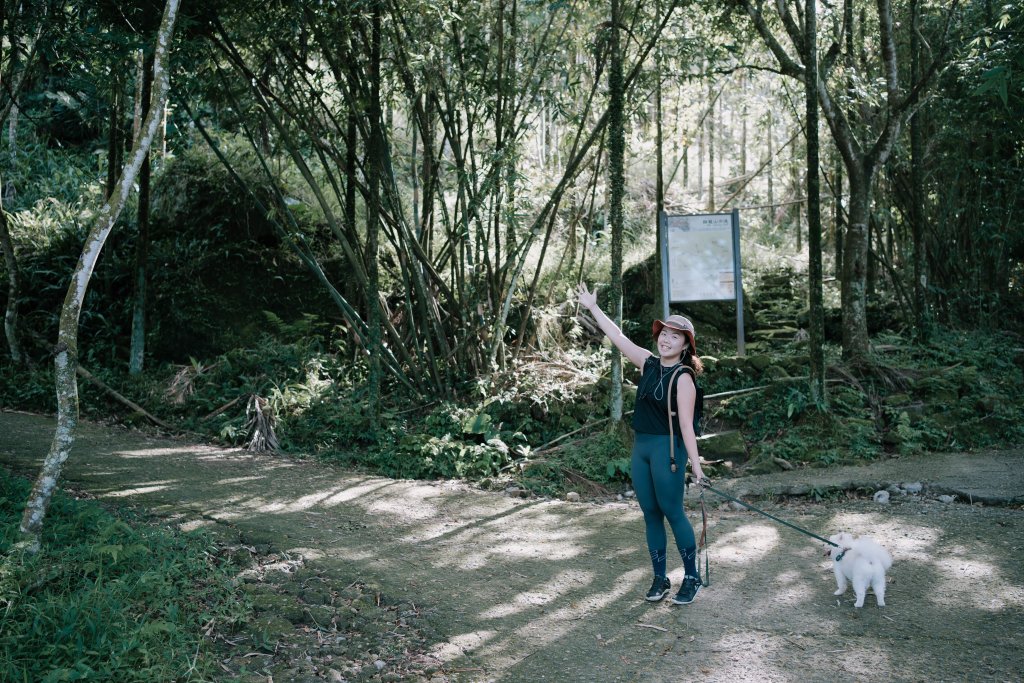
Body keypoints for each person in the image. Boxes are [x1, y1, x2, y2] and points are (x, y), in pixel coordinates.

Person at [577, 283, 707, 605]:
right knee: (650, 514)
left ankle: (691, 577)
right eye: (664, 333)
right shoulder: (648, 363)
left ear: (685, 345)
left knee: (673, 512)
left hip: (668, 452)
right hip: (642, 450)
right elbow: (618, 338)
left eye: (675, 336)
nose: (666, 339)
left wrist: (698, 468)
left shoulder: (684, 378)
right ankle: (660, 578)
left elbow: (688, 427)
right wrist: (593, 307)